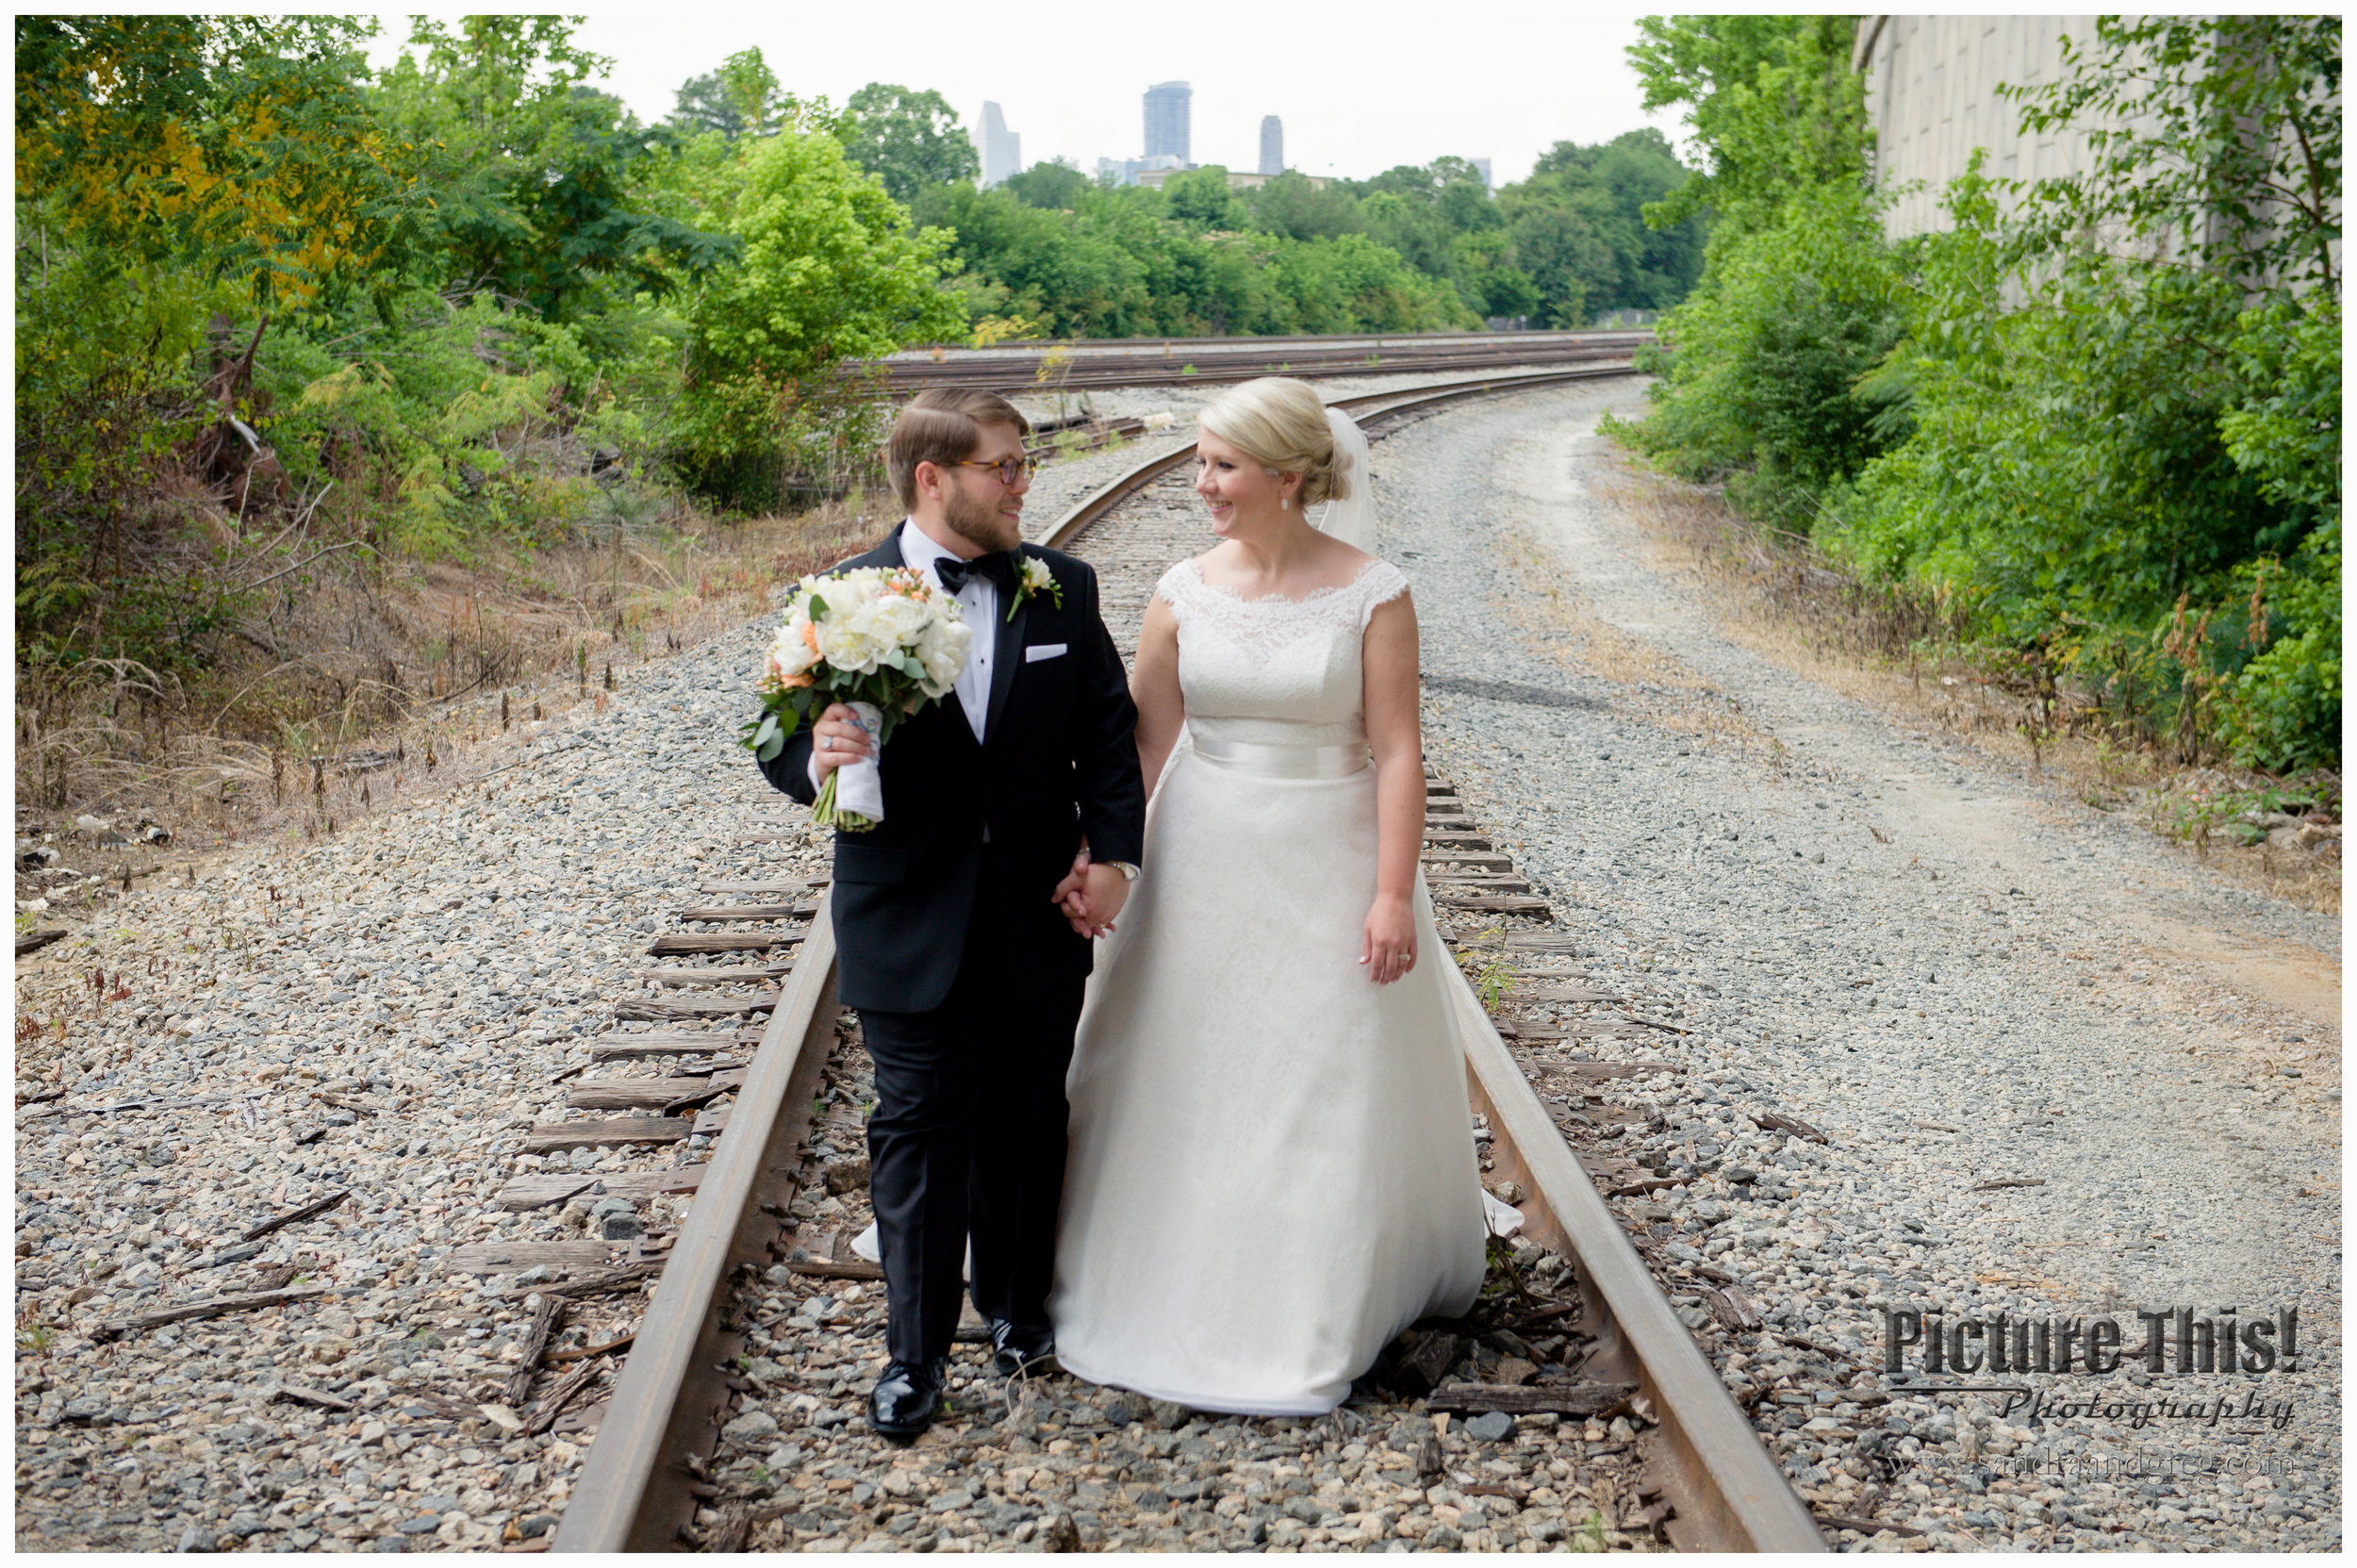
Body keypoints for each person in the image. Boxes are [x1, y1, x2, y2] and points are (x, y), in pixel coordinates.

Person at [1047, 377, 1490, 1415]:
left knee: (1315, 1076)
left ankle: (1306, 1302)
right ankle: (1160, 1269)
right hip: (1203, 855)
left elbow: (1395, 753)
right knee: (1185, 1062)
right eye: (1201, 462)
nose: (1201, 483)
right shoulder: (1179, 589)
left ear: (1288, 476)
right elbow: (1147, 743)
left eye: (1221, 466)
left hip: (1324, 853)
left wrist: (1390, 893)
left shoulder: (1374, 593)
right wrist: (1105, 857)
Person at [756, 388, 1146, 1440]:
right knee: (920, 1126)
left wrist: (1111, 858)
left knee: (1026, 1122)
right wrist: (816, 759)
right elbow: (773, 741)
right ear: (933, 478)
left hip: (1036, 913)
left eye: (1023, 466)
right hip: (904, 914)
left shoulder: (1062, 590)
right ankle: (914, 1358)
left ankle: (1019, 1311)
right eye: (1003, 467)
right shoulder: (838, 596)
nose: (1023, 485)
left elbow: (1110, 738)